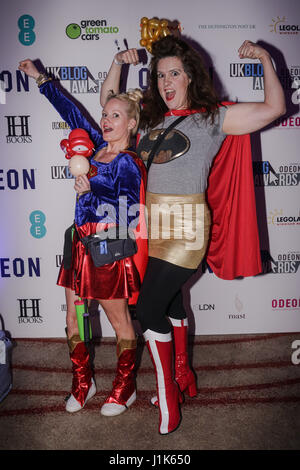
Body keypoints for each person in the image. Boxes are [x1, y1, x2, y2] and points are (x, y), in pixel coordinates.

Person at [100, 35, 285, 434]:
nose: (167, 82)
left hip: (186, 230)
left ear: (190, 77)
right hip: (149, 229)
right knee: (168, 305)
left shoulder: (212, 118)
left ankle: (169, 398)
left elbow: (275, 108)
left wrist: (266, 58)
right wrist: (118, 60)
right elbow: (108, 102)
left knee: (147, 311)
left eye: (175, 73)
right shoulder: (148, 119)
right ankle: (184, 378)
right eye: (161, 74)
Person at [18, 59, 147, 417]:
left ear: (131, 123)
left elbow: (131, 212)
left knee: (118, 320)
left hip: (107, 247)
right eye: (105, 115)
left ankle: (125, 387)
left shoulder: (128, 163)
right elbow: (72, 111)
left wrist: (91, 191)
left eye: (115, 116)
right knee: (75, 316)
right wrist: (40, 79)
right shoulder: (92, 147)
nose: (106, 121)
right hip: (77, 242)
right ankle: (83, 381)